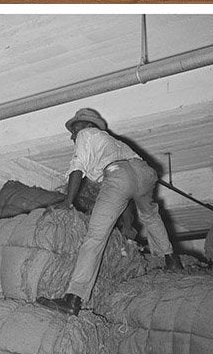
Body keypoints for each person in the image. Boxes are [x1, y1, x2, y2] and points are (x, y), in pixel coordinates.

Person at [36, 108, 179, 316]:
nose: (72, 135)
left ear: (87, 125)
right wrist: (129, 226)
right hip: (145, 173)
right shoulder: (115, 143)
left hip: (118, 173)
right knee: (150, 215)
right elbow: (128, 192)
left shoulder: (87, 134)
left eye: (74, 129)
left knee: (95, 237)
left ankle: (73, 299)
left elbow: (78, 166)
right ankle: (172, 260)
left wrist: (68, 202)